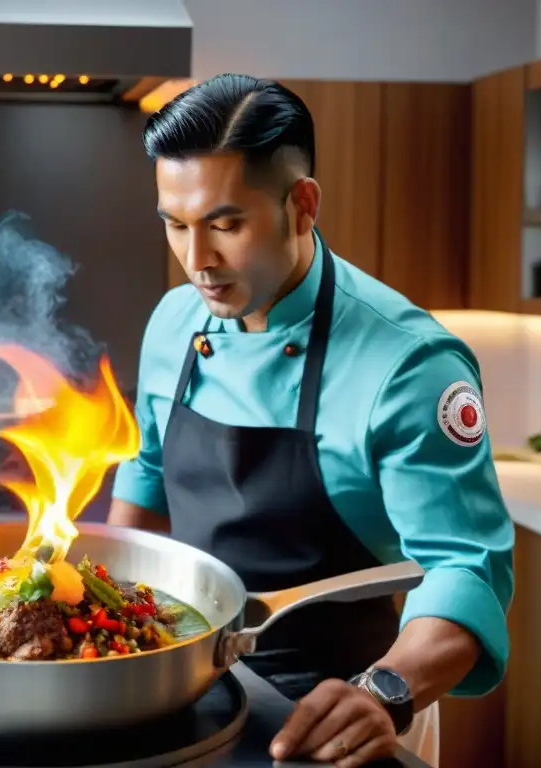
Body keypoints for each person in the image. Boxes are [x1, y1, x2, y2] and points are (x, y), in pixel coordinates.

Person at [107, 74, 514, 768]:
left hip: (346, 712)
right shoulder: (174, 321)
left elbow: (466, 567)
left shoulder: (411, 366)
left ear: (302, 205)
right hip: (193, 694)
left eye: (226, 224)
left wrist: (388, 690)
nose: (197, 260)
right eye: (176, 225)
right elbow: (148, 472)